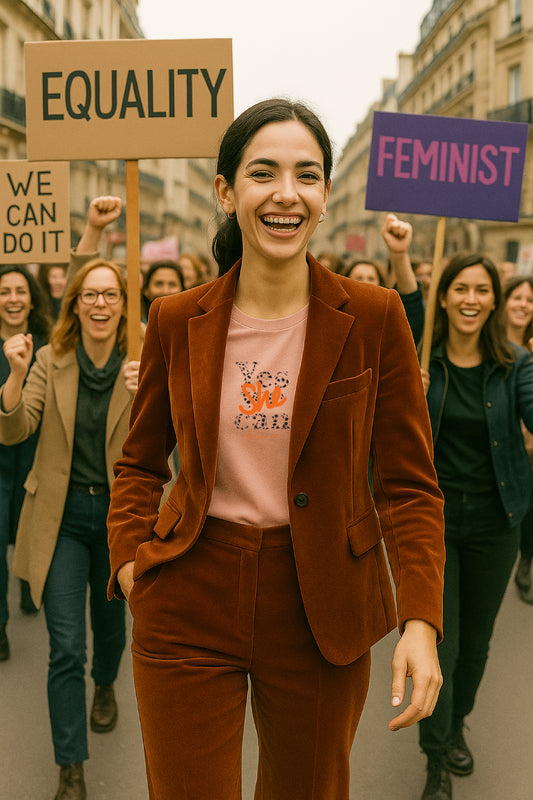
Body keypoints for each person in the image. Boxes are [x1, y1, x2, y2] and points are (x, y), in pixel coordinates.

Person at [106, 98, 445, 800]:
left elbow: (409, 486)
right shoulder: (175, 318)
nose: (286, 193)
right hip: (190, 587)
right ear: (226, 192)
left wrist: (420, 619)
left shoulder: (375, 317)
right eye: (263, 173)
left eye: (306, 175)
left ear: (324, 195)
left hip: (321, 602)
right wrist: (131, 564)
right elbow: (138, 462)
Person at [0, 258, 140, 800]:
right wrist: (14, 377)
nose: (100, 304)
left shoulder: (144, 358)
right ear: (75, 304)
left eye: (110, 295)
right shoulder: (47, 358)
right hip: (60, 519)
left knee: (110, 628)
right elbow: (16, 430)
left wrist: (151, 390)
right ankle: (71, 769)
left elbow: (175, 438)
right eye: (90, 294)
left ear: (123, 305)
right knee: (65, 647)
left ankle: (105, 684)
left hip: (119, 518)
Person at [417, 254, 533, 800]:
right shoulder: (422, 362)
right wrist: (409, 393)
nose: (471, 299)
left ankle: (456, 722)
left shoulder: (516, 363)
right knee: (439, 645)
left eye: (482, 290)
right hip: (432, 525)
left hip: (496, 521)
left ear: (494, 301)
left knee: (475, 646)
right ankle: (435, 756)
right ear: (443, 297)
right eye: (460, 288)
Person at [0, 265, 52, 660]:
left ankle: (28, 581)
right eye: (5, 291)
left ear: (33, 299)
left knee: (30, 532)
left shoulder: (50, 348)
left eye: (20, 290)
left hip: (35, 459)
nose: (13, 299)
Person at [503, 275, 533, 604]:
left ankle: (527, 557)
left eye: (530, 299)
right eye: (517, 297)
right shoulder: (486, 341)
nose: (523, 305)